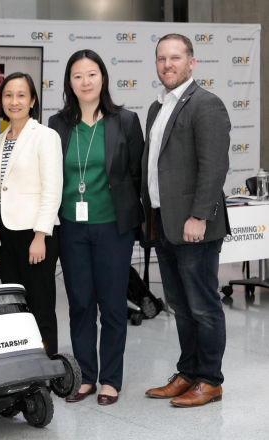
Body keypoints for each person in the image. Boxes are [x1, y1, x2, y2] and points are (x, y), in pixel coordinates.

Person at [48, 49, 144, 405]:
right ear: (69, 82)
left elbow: (135, 175)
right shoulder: (58, 124)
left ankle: (111, 380)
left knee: (113, 305)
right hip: (71, 228)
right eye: (77, 76)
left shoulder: (125, 121)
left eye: (91, 74)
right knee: (80, 304)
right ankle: (87, 376)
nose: (85, 82)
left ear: (103, 77)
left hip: (113, 228)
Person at [143, 34, 230, 407]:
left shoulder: (206, 104)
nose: (168, 65)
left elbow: (214, 167)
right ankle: (188, 372)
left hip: (195, 226)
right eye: (161, 58)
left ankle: (210, 380)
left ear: (191, 62)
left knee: (203, 306)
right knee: (179, 304)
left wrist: (198, 216)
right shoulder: (156, 108)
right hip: (164, 224)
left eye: (175, 58)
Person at [0, 72, 62, 356]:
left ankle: (48, 363)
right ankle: (25, 362)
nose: (14, 101)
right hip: (6, 235)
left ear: (32, 101)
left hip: (35, 234)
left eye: (21, 95)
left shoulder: (45, 136)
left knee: (41, 305)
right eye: (8, 95)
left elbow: (52, 189)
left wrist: (40, 236)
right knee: (16, 306)